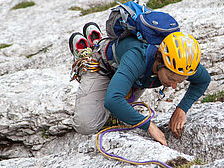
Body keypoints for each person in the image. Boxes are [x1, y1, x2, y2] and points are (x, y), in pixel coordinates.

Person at [69, 24, 211, 145]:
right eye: (170, 78)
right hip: (103, 66)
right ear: (160, 61)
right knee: (86, 125)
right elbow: (113, 100)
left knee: (117, 113)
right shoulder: (138, 57)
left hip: (134, 78)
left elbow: (203, 80)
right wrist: (148, 125)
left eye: (179, 81)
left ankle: (97, 43)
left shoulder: (180, 64)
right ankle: (91, 49)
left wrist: (181, 109)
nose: (173, 86)